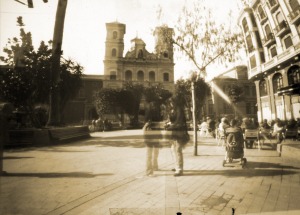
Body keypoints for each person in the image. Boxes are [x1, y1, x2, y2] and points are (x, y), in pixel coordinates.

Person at [167, 97, 189, 177]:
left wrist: (170, 126)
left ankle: (179, 169)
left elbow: (179, 122)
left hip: (180, 132)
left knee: (178, 150)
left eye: (172, 102)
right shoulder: (173, 110)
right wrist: (168, 123)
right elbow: (173, 121)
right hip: (174, 132)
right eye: (170, 102)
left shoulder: (179, 110)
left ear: (175, 102)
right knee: (173, 150)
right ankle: (176, 166)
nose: (171, 104)